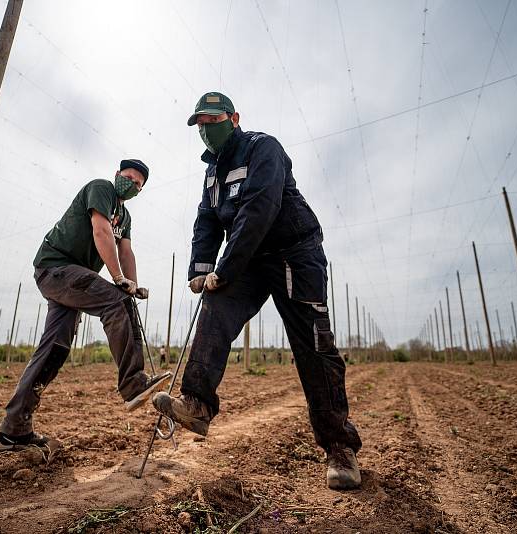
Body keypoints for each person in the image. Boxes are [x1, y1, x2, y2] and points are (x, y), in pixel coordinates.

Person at [152, 92, 362, 490]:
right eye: (199, 124)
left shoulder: (263, 148)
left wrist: (225, 267)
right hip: (250, 258)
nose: (205, 130)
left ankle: (339, 446)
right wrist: (201, 271)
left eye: (212, 121)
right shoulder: (212, 172)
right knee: (215, 305)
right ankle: (197, 404)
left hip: (293, 253)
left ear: (233, 118)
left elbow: (259, 208)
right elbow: (207, 222)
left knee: (313, 346)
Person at [0, 159, 170, 452]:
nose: (132, 184)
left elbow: (125, 251)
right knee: (116, 301)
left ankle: (13, 430)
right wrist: (118, 280)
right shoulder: (101, 189)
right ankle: (133, 383)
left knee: (55, 349)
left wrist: (133, 284)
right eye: (128, 177)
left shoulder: (124, 217)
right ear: (117, 176)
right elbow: (101, 233)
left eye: (138, 184)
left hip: (70, 281)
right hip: (57, 268)